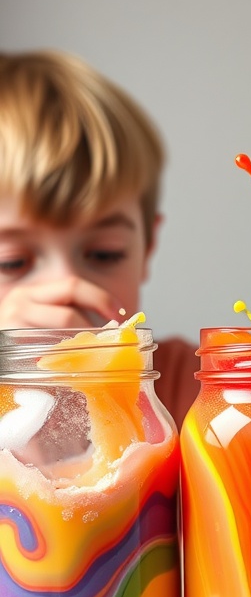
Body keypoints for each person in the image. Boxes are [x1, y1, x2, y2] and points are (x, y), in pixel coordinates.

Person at [0, 49, 200, 429]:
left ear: (147, 249)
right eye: (11, 261)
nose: (66, 288)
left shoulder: (185, 387)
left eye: (104, 254)